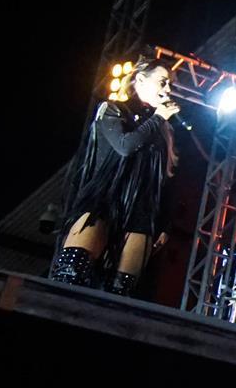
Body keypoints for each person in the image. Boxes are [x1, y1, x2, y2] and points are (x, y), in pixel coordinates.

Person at [50, 57, 179, 296]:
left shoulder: (164, 130)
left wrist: (165, 224)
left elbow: (166, 179)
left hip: (140, 211)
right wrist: (159, 117)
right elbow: (125, 146)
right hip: (104, 200)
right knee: (71, 274)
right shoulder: (113, 109)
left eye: (170, 84)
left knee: (120, 291)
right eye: (162, 82)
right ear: (141, 80)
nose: (168, 89)